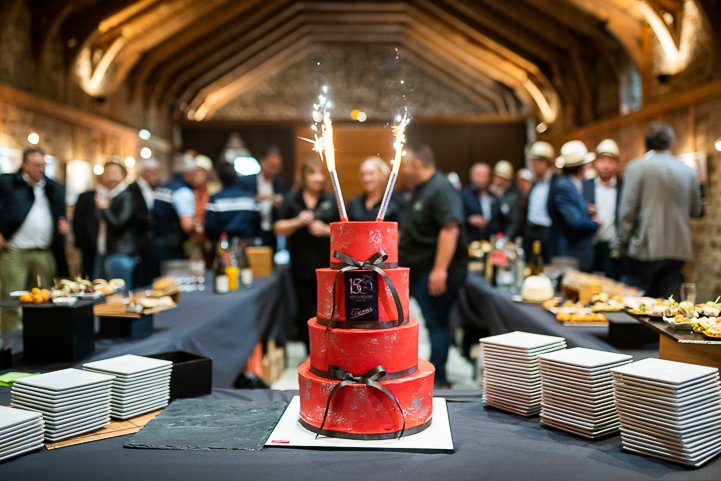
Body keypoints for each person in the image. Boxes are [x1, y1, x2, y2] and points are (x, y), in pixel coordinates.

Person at [399, 145, 467, 388]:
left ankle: (438, 379)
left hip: (435, 271)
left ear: (417, 164)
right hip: (421, 269)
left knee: (437, 323)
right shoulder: (421, 189)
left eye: (405, 164)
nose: (402, 170)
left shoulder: (440, 188)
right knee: (431, 322)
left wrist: (440, 269)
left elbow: (450, 228)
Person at [619, 122, 703, 298]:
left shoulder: (636, 168)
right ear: (670, 142)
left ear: (646, 142)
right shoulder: (687, 171)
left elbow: (628, 211)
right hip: (678, 247)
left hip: (646, 247)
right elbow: (696, 210)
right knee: (668, 304)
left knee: (635, 304)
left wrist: (623, 243)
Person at [0, 147, 69, 339]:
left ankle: (40, 338)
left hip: (45, 252)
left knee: (44, 298)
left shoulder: (53, 187)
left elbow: (59, 214)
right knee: (11, 299)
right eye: (37, 165)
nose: (41, 169)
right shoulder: (7, 182)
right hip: (15, 251)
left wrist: (62, 224)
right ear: (25, 165)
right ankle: (10, 342)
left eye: (44, 165)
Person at [274, 157, 339, 353]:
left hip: (328, 268)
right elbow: (278, 229)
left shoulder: (331, 200)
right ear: (304, 176)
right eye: (313, 173)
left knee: (328, 311)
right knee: (304, 311)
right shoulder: (292, 199)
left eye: (321, 173)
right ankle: (311, 351)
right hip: (300, 267)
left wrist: (326, 230)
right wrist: (297, 221)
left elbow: (344, 231)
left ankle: (329, 350)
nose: (318, 178)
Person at [547, 140, 599, 272]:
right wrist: (595, 223)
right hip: (571, 253)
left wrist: (585, 210)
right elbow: (573, 222)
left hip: (574, 252)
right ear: (581, 166)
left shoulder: (570, 184)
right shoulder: (564, 186)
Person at [147, 154, 196, 279]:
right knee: (171, 286)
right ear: (189, 173)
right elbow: (187, 225)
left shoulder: (162, 187)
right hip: (171, 247)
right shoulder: (183, 192)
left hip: (153, 242)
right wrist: (196, 226)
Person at [583, 139, 623, 279]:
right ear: (595, 162)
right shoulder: (585, 186)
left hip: (613, 249)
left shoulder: (623, 188)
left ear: (617, 164)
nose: (605, 166)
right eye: (602, 160)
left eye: (610, 161)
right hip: (590, 247)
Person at [239, 147, 289, 249]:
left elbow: (287, 206)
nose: (274, 169)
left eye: (277, 166)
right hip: (251, 231)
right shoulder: (246, 181)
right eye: (271, 165)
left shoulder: (281, 183)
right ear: (262, 162)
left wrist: (280, 203)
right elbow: (240, 202)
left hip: (272, 232)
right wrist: (255, 198)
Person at [205, 162, 261, 244]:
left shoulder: (215, 200)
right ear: (236, 177)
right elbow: (257, 223)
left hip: (222, 246)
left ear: (220, 178)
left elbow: (210, 227)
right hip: (247, 245)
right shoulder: (250, 199)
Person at [126, 158, 161, 287]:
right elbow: (133, 214)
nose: (157, 176)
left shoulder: (155, 188)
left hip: (149, 240)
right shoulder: (131, 189)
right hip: (137, 239)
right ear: (145, 172)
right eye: (154, 172)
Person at [525, 141, 555, 262]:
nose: (533, 166)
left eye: (535, 162)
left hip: (546, 232)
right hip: (531, 230)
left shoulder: (556, 183)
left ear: (545, 162)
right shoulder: (535, 183)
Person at [347, 156, 399, 222]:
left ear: (382, 175)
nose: (366, 179)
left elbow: (400, 230)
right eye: (362, 174)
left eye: (370, 174)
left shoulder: (394, 203)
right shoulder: (353, 204)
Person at [461, 162, 499, 242]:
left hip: (489, 241)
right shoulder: (463, 195)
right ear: (471, 176)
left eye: (485, 174)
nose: (482, 178)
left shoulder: (493, 196)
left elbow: (499, 218)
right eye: (479, 174)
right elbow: (456, 217)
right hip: (471, 241)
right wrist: (469, 219)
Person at [190, 155, 213, 264]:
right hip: (192, 240)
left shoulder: (213, 191)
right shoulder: (187, 191)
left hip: (209, 238)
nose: (197, 176)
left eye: (200, 173)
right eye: (194, 173)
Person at [490, 160, 520, 239]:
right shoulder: (487, 192)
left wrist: (505, 238)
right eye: (497, 177)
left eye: (504, 179)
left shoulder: (512, 196)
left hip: (502, 236)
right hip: (488, 236)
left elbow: (513, 221)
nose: (499, 181)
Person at [515, 168, 534, 242]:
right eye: (520, 182)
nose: (523, 185)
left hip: (529, 232)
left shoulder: (534, 197)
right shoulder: (514, 198)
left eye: (526, 182)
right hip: (518, 233)